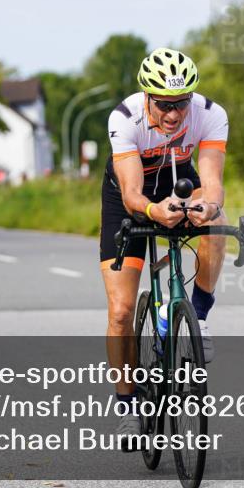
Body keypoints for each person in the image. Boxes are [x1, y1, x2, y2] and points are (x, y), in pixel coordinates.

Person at [101, 47, 229, 445]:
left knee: (217, 224)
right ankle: (127, 407)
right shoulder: (125, 118)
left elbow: (211, 182)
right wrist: (154, 211)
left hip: (179, 180)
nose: (174, 115)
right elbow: (132, 193)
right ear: (147, 98)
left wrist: (207, 207)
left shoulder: (211, 114)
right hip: (132, 198)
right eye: (164, 105)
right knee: (121, 311)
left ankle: (200, 315)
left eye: (181, 103)